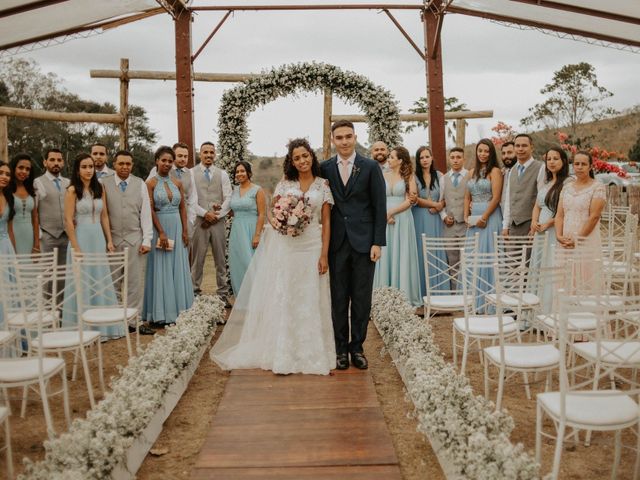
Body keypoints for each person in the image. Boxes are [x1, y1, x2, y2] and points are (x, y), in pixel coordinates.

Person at [211, 138, 335, 375]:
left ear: (312, 156)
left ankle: (312, 352)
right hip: (288, 248)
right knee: (286, 295)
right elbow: (271, 212)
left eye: (305, 155)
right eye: (297, 157)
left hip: (312, 247)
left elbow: (327, 222)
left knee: (311, 297)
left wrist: (324, 255)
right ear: (292, 161)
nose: (302, 161)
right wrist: (281, 224)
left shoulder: (323, 185)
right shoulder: (285, 184)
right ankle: (283, 352)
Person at [320, 120, 387, 370]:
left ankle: (357, 348)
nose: (345, 141)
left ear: (355, 137)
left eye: (349, 136)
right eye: (339, 137)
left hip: (364, 242)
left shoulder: (369, 166)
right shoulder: (324, 168)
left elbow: (380, 206)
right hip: (336, 243)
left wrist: (377, 242)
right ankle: (340, 351)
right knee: (338, 298)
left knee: (361, 298)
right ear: (332, 141)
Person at [61, 153, 123, 339]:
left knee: (100, 278)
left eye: (90, 167)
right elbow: (68, 220)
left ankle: (105, 328)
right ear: (77, 170)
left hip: (97, 237)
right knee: (82, 281)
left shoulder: (100, 188)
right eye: (84, 167)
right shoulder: (72, 190)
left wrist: (109, 240)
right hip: (81, 238)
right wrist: (75, 247)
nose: (88, 170)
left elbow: (104, 216)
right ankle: (82, 328)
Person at [104, 150, 155, 335]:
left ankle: (135, 321)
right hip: (113, 240)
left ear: (132, 165)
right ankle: (117, 322)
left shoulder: (139, 183)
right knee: (113, 282)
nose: (125, 167)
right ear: (114, 164)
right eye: (121, 164)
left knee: (135, 283)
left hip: (135, 239)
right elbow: (103, 214)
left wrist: (147, 239)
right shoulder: (104, 184)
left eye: (128, 164)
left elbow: (145, 213)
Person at [143, 146, 194, 325]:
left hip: (178, 227)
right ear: (156, 160)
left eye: (169, 161)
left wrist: (185, 231)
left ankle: (181, 309)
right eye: (163, 160)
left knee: (178, 266)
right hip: (160, 228)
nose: (166, 164)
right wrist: (161, 232)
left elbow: (182, 207)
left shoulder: (177, 183)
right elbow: (149, 209)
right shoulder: (150, 184)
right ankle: (160, 313)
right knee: (162, 267)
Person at [373, 146, 421, 307]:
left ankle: (404, 297)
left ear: (400, 160)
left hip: (402, 219)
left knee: (402, 253)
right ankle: (383, 298)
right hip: (384, 219)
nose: (389, 159)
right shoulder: (382, 174)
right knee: (385, 254)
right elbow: (377, 198)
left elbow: (411, 200)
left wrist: (391, 212)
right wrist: (384, 215)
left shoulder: (409, 177)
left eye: (392, 157)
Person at [555, 151, 606, 292]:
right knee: (566, 279)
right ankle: (564, 312)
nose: (579, 167)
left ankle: (585, 313)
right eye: (576, 163)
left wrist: (578, 239)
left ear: (590, 167)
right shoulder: (566, 188)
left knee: (585, 278)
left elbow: (594, 216)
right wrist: (558, 235)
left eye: (583, 164)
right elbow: (559, 215)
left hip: (586, 240)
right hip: (565, 241)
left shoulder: (598, 187)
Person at [530, 146, 571, 312]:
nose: (552, 162)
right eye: (549, 159)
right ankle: (535, 313)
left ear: (563, 161)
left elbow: (566, 210)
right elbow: (537, 206)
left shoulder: (568, 183)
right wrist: (534, 222)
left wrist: (549, 223)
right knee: (538, 268)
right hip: (540, 232)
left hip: (554, 231)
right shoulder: (546, 182)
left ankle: (549, 311)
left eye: (556, 159)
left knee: (550, 268)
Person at [464, 139, 503, 312]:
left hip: (490, 216)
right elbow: (467, 197)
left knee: (489, 255)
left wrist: (485, 217)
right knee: (474, 256)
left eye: (486, 151)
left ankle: (490, 303)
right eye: (480, 150)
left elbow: (496, 197)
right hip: (473, 220)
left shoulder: (495, 171)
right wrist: (466, 216)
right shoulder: (471, 172)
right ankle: (475, 301)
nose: (483, 154)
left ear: (491, 153)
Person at [191, 142, 232, 304]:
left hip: (218, 222)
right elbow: (190, 199)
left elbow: (228, 196)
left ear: (215, 154)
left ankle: (223, 293)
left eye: (211, 152)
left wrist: (218, 214)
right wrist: (204, 213)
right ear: (200, 154)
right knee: (197, 259)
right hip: (199, 222)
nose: (208, 155)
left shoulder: (222, 174)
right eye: (205, 152)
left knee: (220, 259)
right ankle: (194, 292)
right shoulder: (191, 173)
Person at [412, 146, 447, 297]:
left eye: (427, 156)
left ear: (432, 158)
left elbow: (447, 197)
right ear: (418, 160)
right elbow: (414, 199)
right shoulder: (413, 177)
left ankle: (439, 292)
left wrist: (441, 205)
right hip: (419, 217)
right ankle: (422, 292)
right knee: (420, 251)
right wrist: (434, 204)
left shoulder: (440, 176)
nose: (425, 160)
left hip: (435, 220)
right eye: (421, 157)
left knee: (435, 250)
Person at [228, 161, 266, 296]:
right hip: (237, 231)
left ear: (249, 173)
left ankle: (256, 298)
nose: (239, 174)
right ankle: (241, 300)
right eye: (237, 172)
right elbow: (232, 210)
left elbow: (262, 214)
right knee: (238, 264)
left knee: (251, 265)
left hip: (251, 230)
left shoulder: (257, 190)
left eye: (242, 171)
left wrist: (257, 235)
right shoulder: (234, 190)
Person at [147, 143, 198, 238]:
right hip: (161, 218)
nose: (183, 159)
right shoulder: (158, 169)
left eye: (185, 156)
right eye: (180, 156)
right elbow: (149, 193)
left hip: (183, 219)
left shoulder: (190, 173)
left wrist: (191, 220)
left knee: (185, 248)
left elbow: (192, 198)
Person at [34, 148, 70, 270]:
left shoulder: (68, 183)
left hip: (67, 235)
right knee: (46, 274)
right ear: (45, 162)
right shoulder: (37, 182)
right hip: (47, 235)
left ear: (63, 162)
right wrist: (39, 236)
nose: (56, 163)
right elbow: (34, 212)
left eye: (59, 160)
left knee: (64, 273)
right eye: (52, 160)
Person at [501, 134, 544, 237]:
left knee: (528, 253)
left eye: (524, 145)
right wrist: (505, 226)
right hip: (512, 225)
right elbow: (508, 201)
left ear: (531, 147)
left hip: (531, 225)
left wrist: (536, 224)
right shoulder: (512, 171)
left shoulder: (541, 168)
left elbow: (541, 200)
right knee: (512, 254)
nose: (520, 149)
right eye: (517, 146)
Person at [441, 147, 468, 286]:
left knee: (467, 260)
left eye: (458, 157)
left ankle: (467, 294)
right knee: (452, 262)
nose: (455, 160)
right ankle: (454, 295)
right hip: (449, 227)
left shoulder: (470, 176)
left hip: (466, 226)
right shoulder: (443, 178)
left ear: (464, 159)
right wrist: (444, 216)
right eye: (453, 157)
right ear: (449, 159)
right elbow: (441, 202)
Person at [9, 153, 40, 255]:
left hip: (29, 236)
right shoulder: (6, 190)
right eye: (21, 167)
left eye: (27, 169)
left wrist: (36, 244)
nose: (24, 171)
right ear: (13, 168)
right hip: (11, 236)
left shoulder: (31, 190)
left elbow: (35, 219)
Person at [0, 161, 15, 327]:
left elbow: (10, 229)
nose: (4, 177)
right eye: (1, 173)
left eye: (7, 174)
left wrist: (14, 254)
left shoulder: (8, 197)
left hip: (6, 248)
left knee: (8, 291)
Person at [500, 141, 516, 212]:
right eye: (503, 153)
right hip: (502, 216)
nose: (506, 156)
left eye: (509, 152)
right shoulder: (502, 173)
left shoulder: (522, 171)